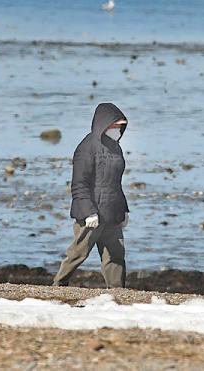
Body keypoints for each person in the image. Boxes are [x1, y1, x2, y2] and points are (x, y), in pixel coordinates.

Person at [53, 103, 130, 288]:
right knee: (78, 253)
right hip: (91, 215)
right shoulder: (86, 148)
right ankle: (58, 285)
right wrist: (88, 212)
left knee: (116, 255)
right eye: (115, 126)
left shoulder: (116, 148)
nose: (118, 130)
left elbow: (116, 184)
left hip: (112, 213)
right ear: (103, 124)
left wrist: (124, 211)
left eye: (121, 127)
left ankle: (117, 291)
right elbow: (79, 183)